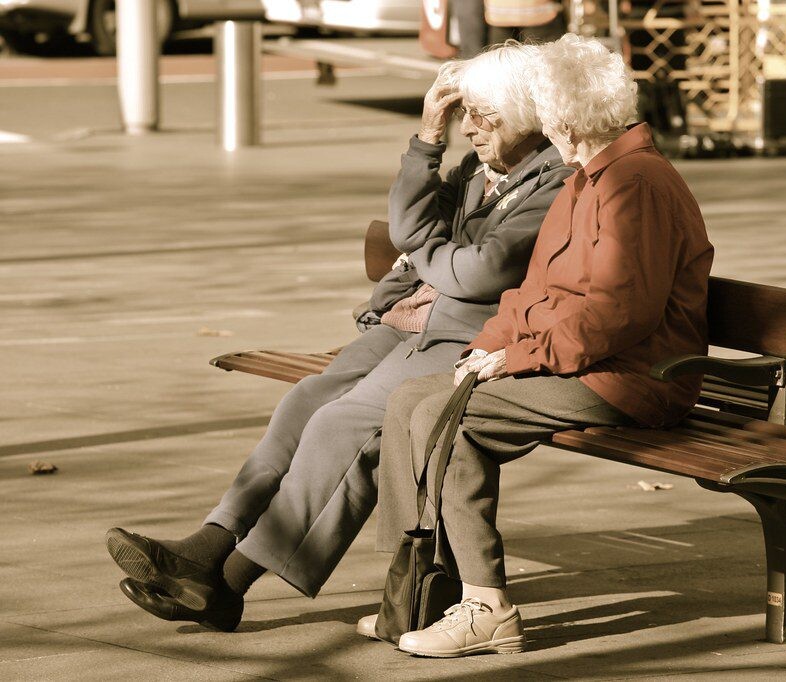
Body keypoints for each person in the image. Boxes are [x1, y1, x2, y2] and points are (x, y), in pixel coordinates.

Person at [103, 42, 574, 633]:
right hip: (413, 319)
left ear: (526, 116)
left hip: (469, 338)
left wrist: (427, 255)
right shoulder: (478, 171)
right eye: (465, 115)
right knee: (304, 401)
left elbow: (481, 272)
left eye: (485, 117)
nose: (470, 129)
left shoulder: (554, 182)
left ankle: (227, 583)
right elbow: (407, 228)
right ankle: (208, 543)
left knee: (342, 424)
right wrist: (427, 138)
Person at [374, 33, 714, 657]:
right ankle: (418, 592)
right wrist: (485, 348)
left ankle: (487, 606)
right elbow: (532, 291)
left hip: (633, 377)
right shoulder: (589, 179)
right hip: (583, 362)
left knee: (452, 418)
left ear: (564, 118)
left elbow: (618, 315)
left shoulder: (633, 184)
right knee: (407, 402)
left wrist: (517, 358)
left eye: (543, 111)